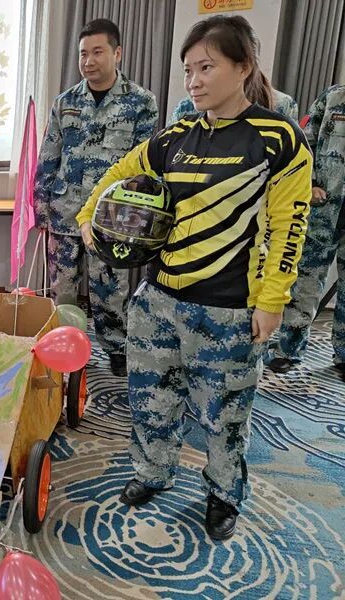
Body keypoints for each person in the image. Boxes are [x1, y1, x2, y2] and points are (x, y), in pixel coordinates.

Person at [77, 15, 312, 539]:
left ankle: (224, 494)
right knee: (150, 400)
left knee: (224, 416)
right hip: (158, 301)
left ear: (243, 67)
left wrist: (272, 301)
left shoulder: (278, 139)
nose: (194, 81)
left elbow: (289, 225)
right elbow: (118, 172)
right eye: (188, 70)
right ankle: (152, 472)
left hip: (228, 308)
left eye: (206, 67)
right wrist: (88, 216)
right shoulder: (176, 137)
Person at [34, 18, 158, 377]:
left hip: (111, 218)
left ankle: (116, 346)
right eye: (83, 54)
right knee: (63, 289)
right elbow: (48, 158)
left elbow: (145, 164)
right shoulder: (65, 103)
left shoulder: (141, 102)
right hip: (65, 213)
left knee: (110, 288)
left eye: (97, 52)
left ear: (117, 54)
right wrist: (41, 208)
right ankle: (63, 345)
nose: (88, 61)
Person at [268, 84, 345, 377]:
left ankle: (343, 356)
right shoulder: (333, 98)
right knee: (305, 284)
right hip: (325, 210)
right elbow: (304, 142)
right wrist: (309, 183)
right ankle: (289, 349)